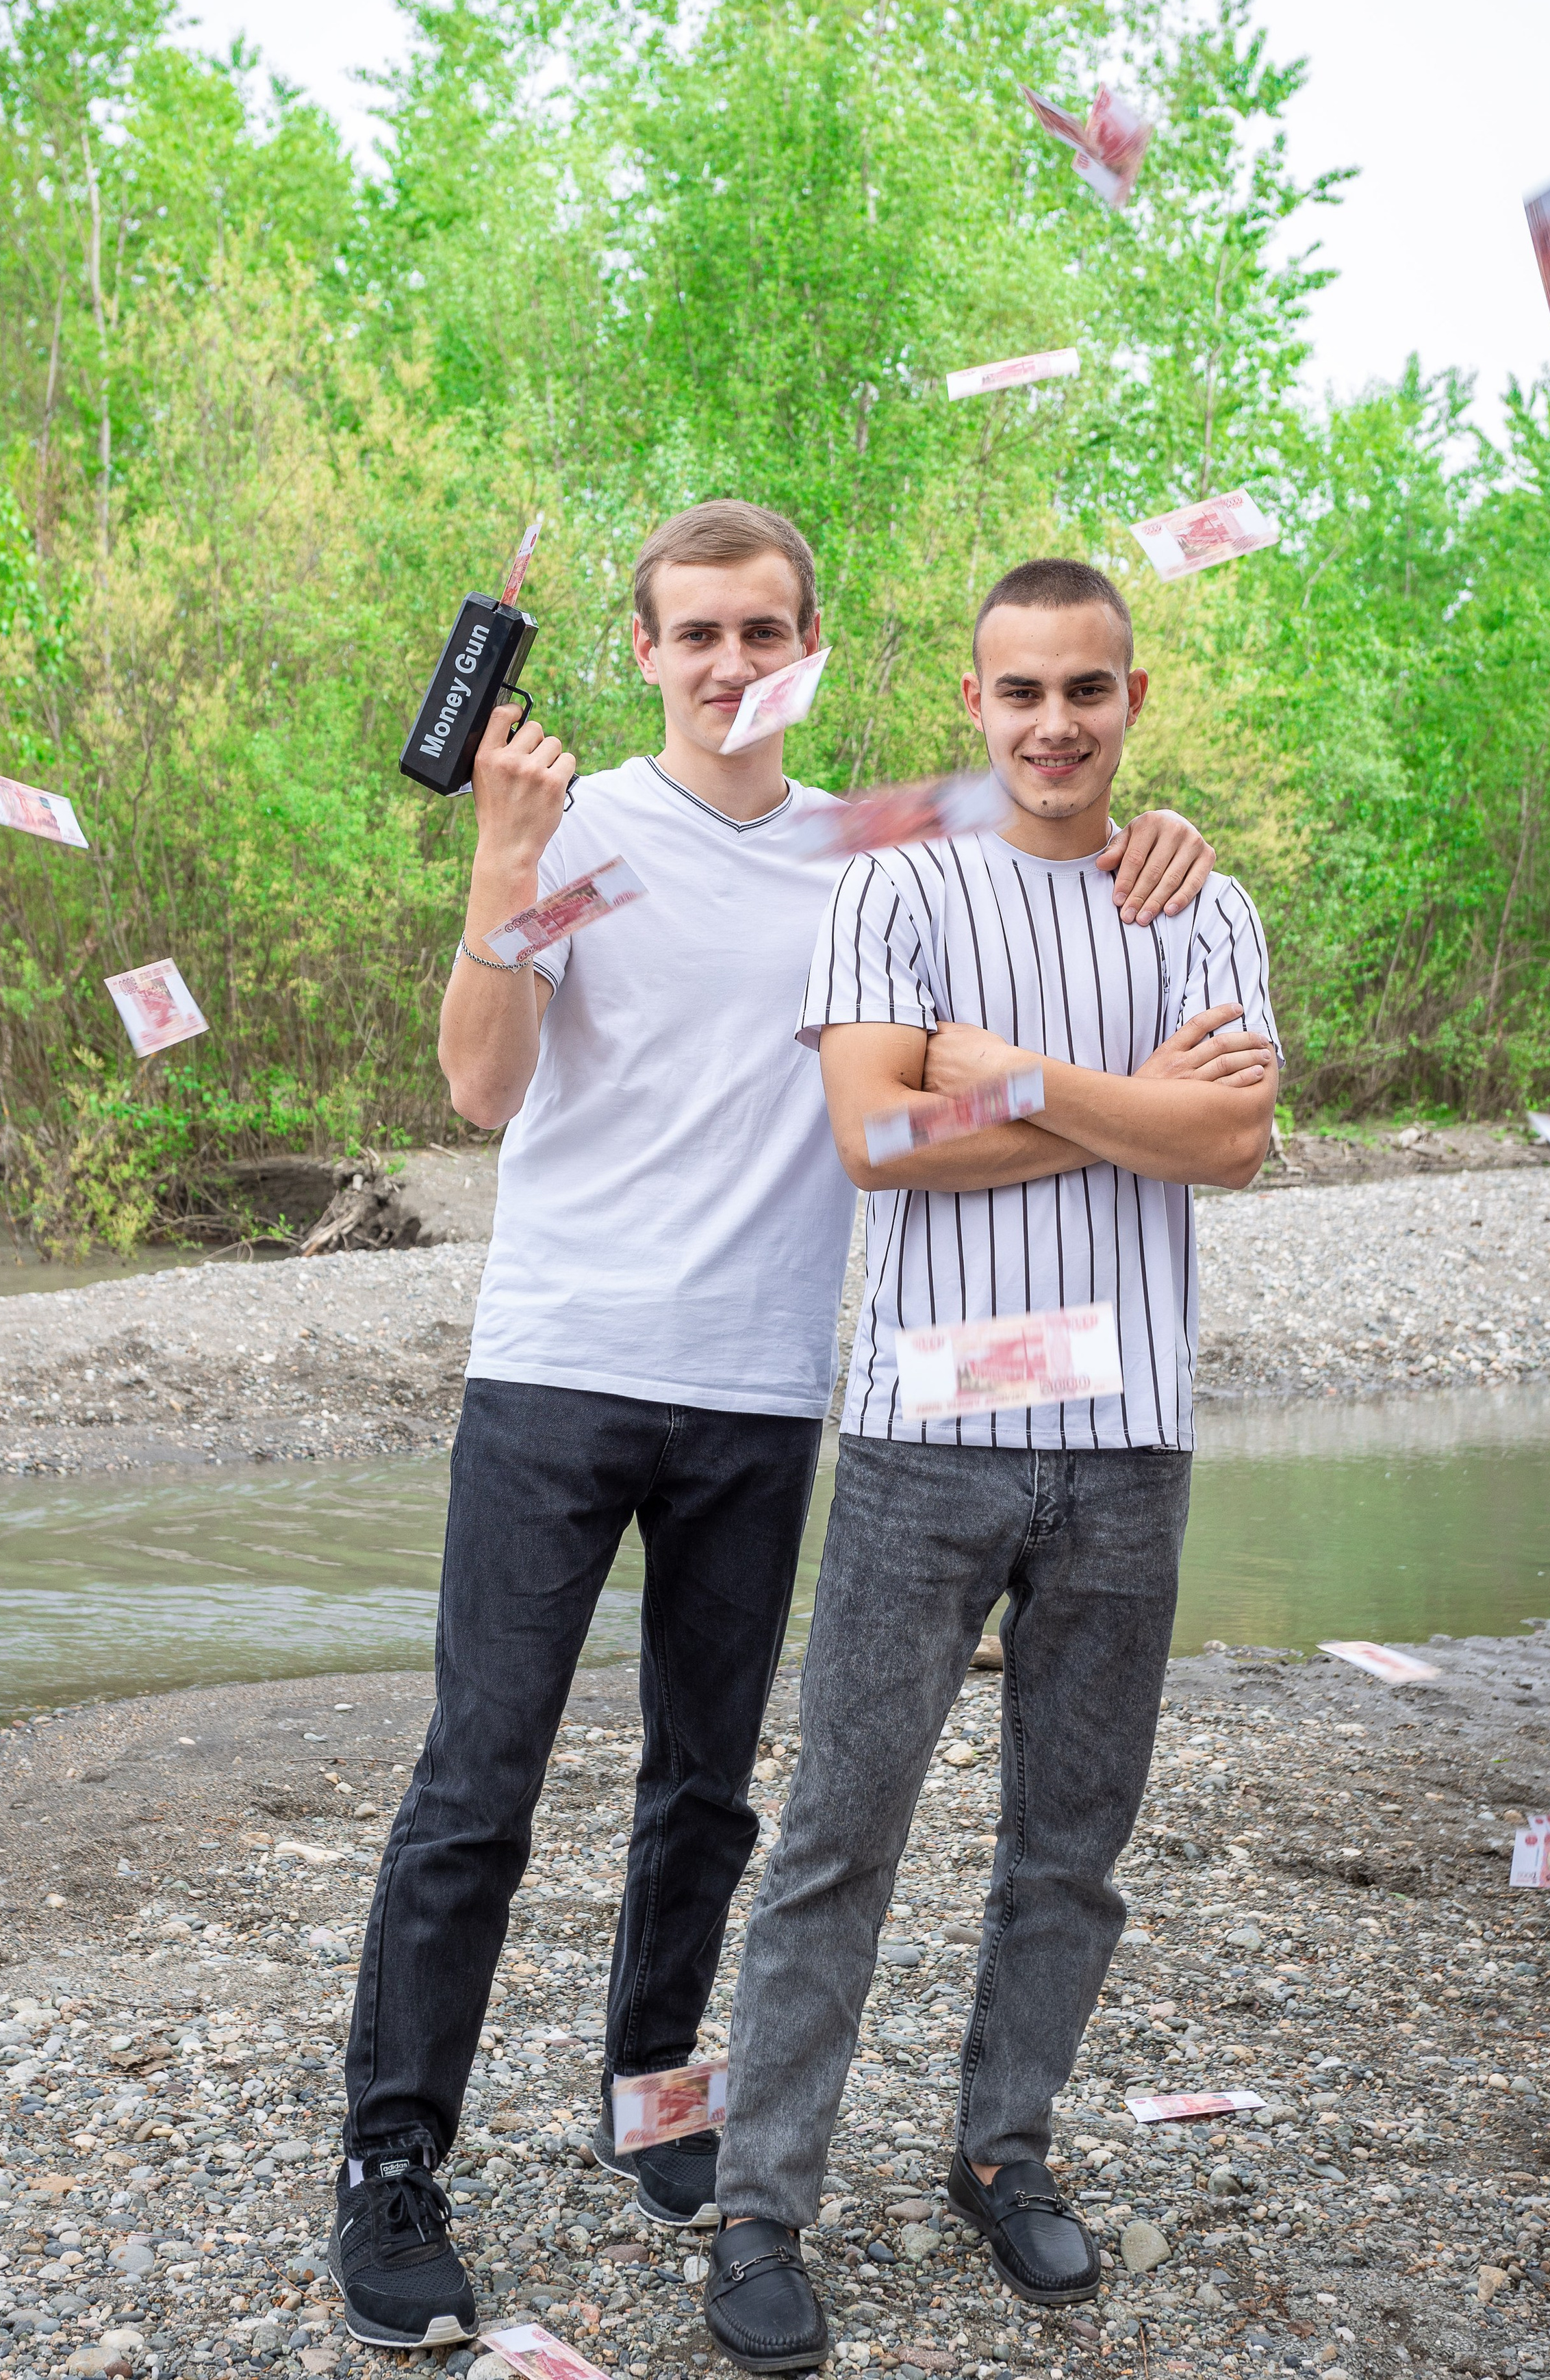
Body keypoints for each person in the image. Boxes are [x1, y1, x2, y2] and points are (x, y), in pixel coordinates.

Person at [327, 506, 1219, 2354]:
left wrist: (1168, 834)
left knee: (707, 1788)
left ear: (810, 646)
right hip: (563, 1369)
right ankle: (393, 2160)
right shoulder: (584, 842)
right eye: (697, 637)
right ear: (644, 654)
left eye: (763, 634)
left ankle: (659, 2103)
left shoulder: (867, 848)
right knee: (478, 1781)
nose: (731, 667)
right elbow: (483, 1087)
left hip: (763, 1387)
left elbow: (1056, 788)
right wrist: (502, 860)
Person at [701, 554, 1280, 2374]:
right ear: (978, 703)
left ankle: (1000, 2152)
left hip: (1129, 1447)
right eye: (1021, 691)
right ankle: (760, 2208)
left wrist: (1017, 1078)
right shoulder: (899, 883)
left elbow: (1235, 1142)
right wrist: (1134, 1111)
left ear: (1131, 699)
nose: (1054, 724)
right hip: (926, 1440)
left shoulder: (1200, 906)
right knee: (839, 1837)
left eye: (1087, 689)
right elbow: (877, 1137)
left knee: (1071, 1851)